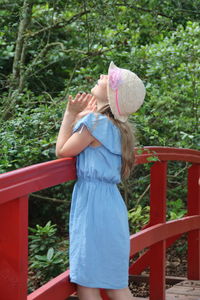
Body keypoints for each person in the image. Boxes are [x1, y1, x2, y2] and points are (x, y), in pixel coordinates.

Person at [56, 61, 146, 300]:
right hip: (111, 205)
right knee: (116, 283)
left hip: (92, 206)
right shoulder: (117, 127)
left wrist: (70, 113)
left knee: (88, 280)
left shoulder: (95, 124)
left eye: (106, 77)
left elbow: (63, 151)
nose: (100, 75)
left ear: (112, 94)